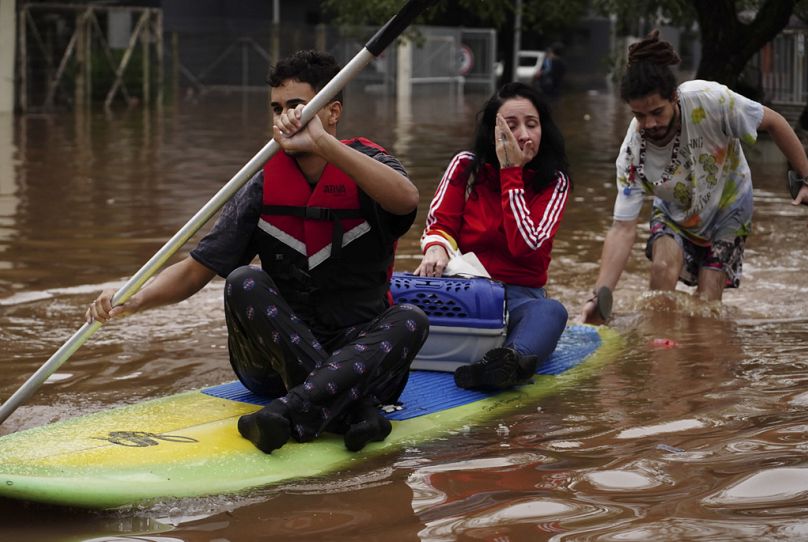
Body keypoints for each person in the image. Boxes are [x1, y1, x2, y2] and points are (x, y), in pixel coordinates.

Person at [86, 50, 429, 454]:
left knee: (410, 319)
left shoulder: (369, 164)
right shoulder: (262, 183)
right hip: (274, 364)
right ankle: (354, 414)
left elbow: (406, 200)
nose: (285, 118)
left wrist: (323, 143)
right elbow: (197, 269)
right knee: (242, 280)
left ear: (332, 111)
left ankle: (291, 411)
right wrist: (134, 298)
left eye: (298, 106)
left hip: (358, 358)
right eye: (277, 108)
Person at [580, 30, 808, 325]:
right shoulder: (632, 154)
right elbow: (622, 229)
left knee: (708, 299)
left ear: (674, 97)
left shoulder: (710, 100)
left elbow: (775, 122)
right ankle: (660, 353)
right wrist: (600, 296)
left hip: (730, 206)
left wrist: (804, 178)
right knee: (662, 270)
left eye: (657, 112)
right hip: (674, 209)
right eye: (639, 115)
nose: (649, 124)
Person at [414, 81, 571, 391]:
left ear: (544, 130)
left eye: (532, 124)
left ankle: (508, 363)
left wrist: (511, 173)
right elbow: (440, 222)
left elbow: (527, 246)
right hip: (464, 289)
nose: (523, 135)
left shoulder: (554, 182)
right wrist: (436, 249)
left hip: (519, 300)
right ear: (493, 132)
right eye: (511, 126)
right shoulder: (465, 167)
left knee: (552, 312)